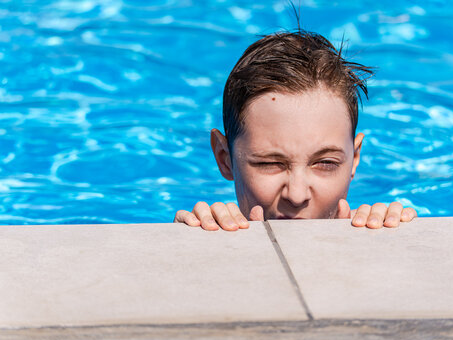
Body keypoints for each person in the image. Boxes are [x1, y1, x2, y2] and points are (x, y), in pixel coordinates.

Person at [174, 30, 417, 231]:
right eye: (269, 163)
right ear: (224, 158)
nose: (297, 195)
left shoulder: (375, 228)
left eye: (325, 163)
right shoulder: (210, 230)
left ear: (354, 159)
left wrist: (388, 239)